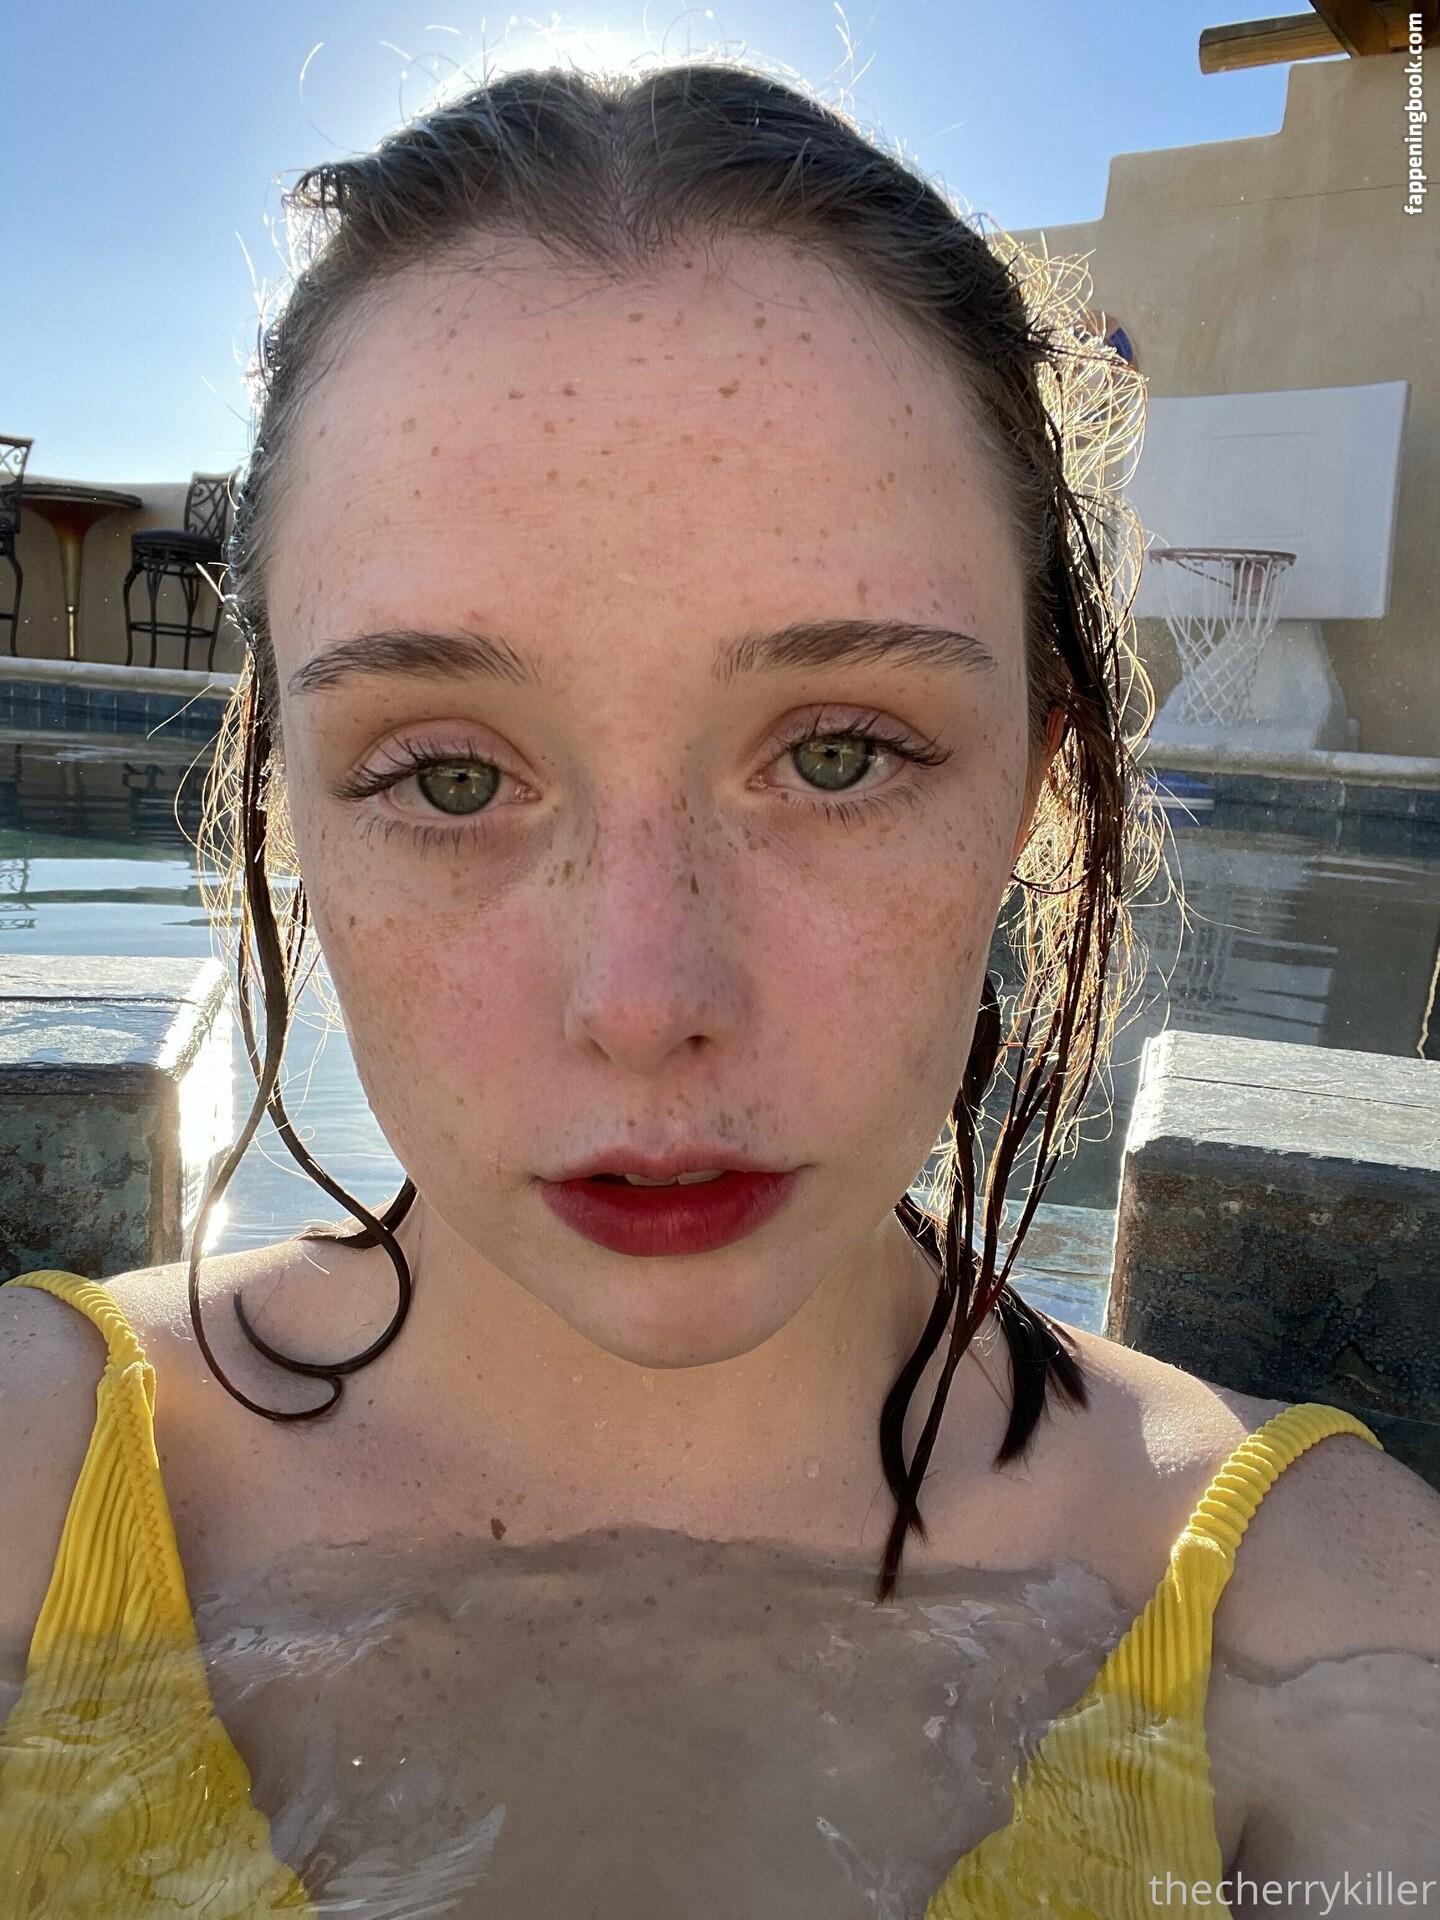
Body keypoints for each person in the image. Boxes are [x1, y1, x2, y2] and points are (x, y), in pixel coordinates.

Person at [2, 60, 1437, 1920]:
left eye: (838, 756)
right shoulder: (30, 1481)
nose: (644, 999)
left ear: (1037, 783)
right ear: (291, 810)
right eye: (450, 778)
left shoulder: (1338, 1625)